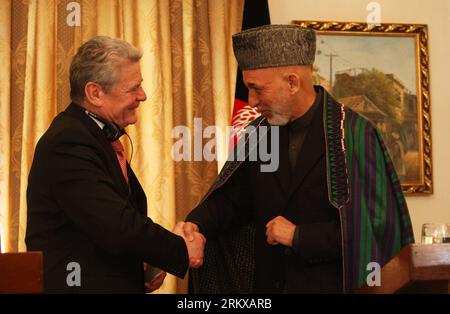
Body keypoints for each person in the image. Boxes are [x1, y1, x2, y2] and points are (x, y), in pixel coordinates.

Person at [181, 25, 414, 293]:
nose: (252, 101)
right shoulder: (259, 134)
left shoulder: (354, 135)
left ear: (292, 82)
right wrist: (195, 225)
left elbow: (376, 231)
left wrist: (299, 237)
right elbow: (233, 201)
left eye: (257, 89)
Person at [25, 36, 205, 293]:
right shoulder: (68, 142)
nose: (143, 96)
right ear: (95, 93)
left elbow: (105, 228)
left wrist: (146, 264)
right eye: (133, 88)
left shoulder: (92, 136)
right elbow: (116, 225)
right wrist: (179, 249)